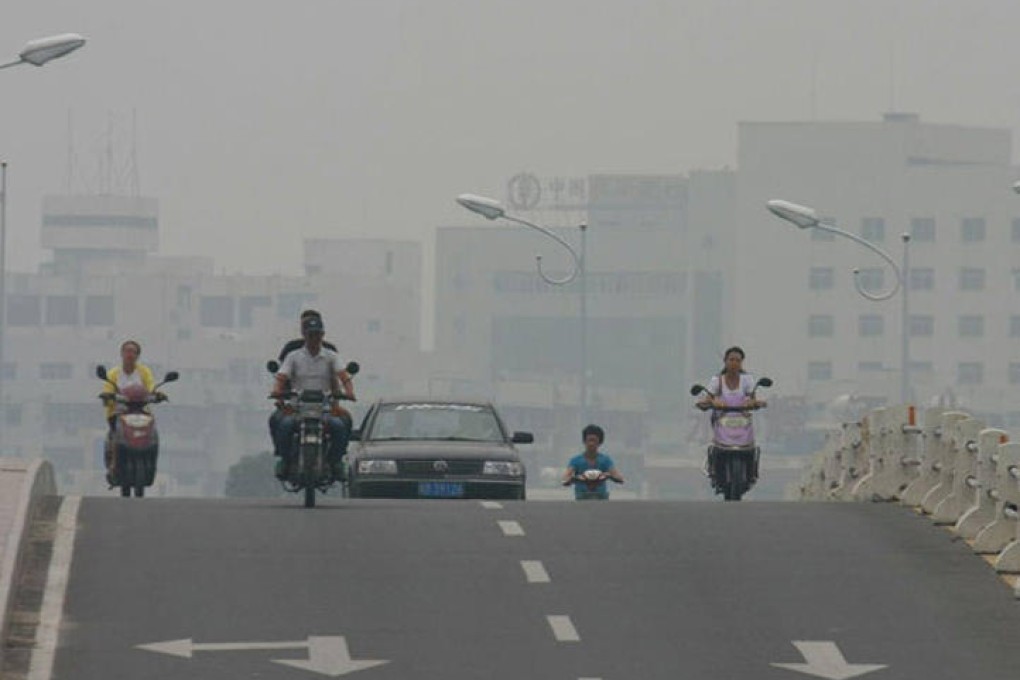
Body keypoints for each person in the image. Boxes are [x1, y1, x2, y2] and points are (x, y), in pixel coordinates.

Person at [269, 315, 352, 480]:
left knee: (341, 426)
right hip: (297, 407)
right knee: (283, 425)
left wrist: (349, 391)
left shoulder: (331, 355)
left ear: (323, 335)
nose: (314, 338)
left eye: (318, 334)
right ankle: (284, 460)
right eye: (310, 334)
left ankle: (335, 462)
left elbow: (343, 376)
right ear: (304, 334)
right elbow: (281, 377)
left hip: (325, 408)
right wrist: (277, 392)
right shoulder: (293, 355)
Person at [696, 346, 766, 480]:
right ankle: (713, 467)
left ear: (741, 363)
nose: (734, 363)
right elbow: (707, 397)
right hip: (723, 419)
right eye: (731, 360)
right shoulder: (717, 380)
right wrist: (712, 402)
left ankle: (751, 473)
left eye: (738, 360)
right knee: (715, 445)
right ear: (725, 361)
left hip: (742, 420)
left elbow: (753, 398)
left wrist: (754, 403)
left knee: (752, 448)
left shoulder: (747, 380)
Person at [99, 340, 161, 486]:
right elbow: (108, 389)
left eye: (133, 352)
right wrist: (107, 396)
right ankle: (113, 463)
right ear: (121, 354)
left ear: (138, 355)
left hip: (141, 411)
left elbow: (151, 387)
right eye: (127, 351)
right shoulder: (113, 373)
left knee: (153, 434)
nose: (130, 355)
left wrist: (156, 395)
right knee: (114, 435)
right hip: (118, 412)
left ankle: (150, 461)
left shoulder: (144, 372)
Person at [562, 424, 624, 500]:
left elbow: (618, 476)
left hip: (601, 499)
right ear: (584, 441)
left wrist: (610, 476)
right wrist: (571, 479)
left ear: (600, 442)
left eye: (594, 440)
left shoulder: (605, 460)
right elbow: (566, 476)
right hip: (582, 499)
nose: (591, 444)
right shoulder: (576, 461)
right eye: (589, 440)